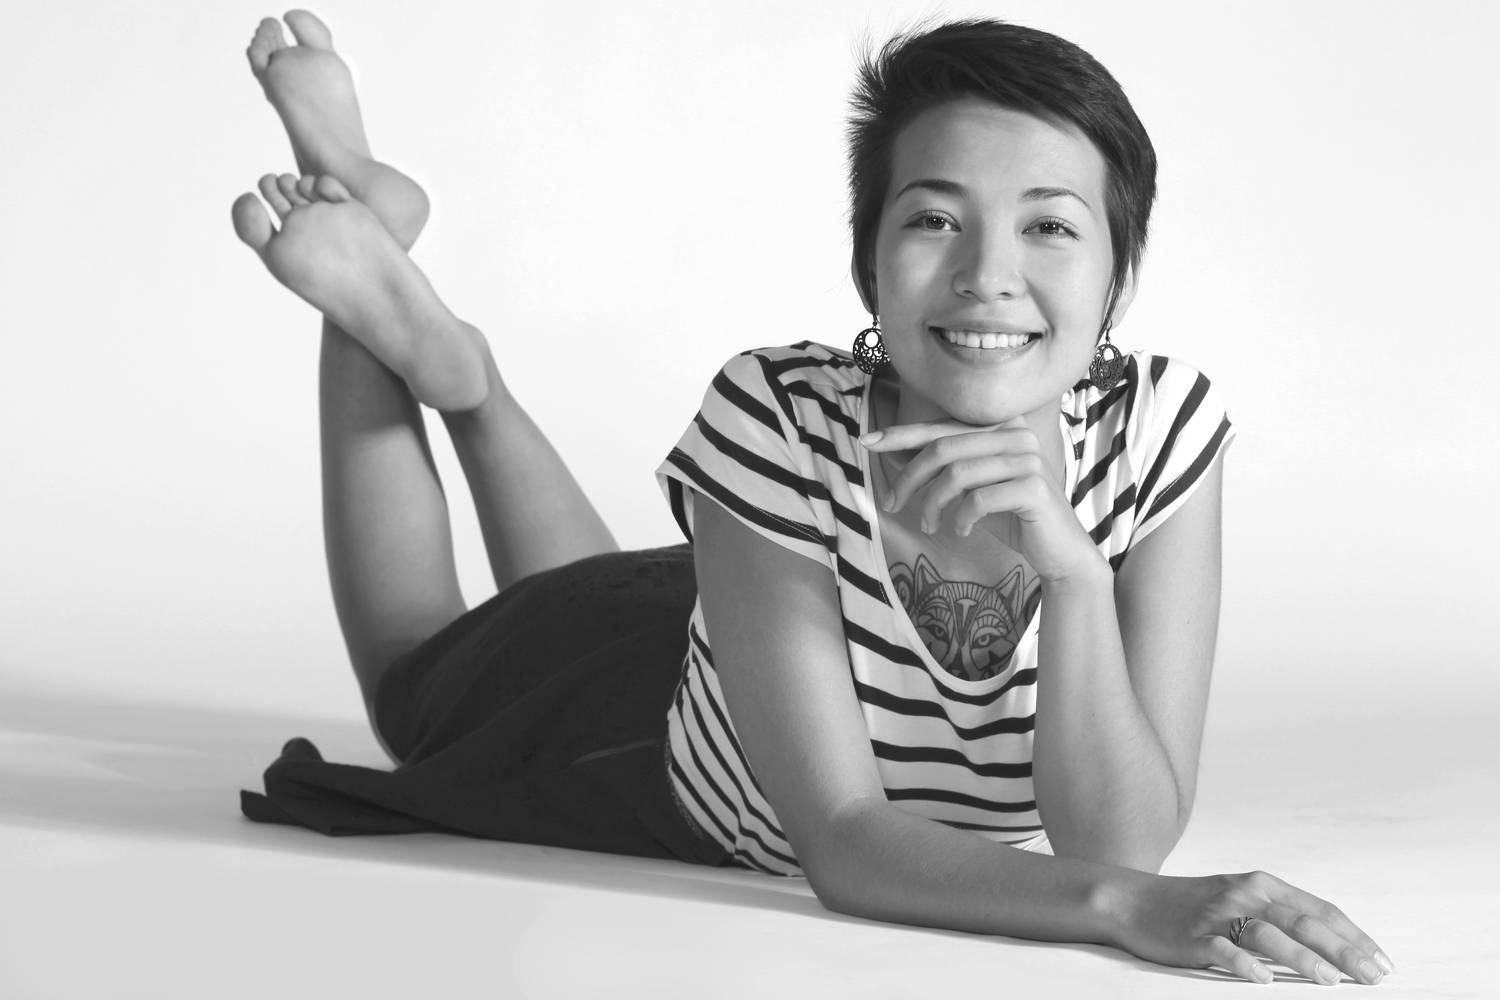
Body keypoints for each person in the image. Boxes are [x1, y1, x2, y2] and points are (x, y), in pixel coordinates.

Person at [231, 10, 1394, 986]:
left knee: (572, 600)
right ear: (869, 262)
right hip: (667, 730)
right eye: (933, 218)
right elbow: (842, 837)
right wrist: (1126, 910)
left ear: (1120, 276)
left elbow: (1121, 836)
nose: (988, 274)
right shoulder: (775, 419)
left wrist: (1079, 575)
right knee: (418, 686)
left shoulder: (1162, 430)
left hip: (744, 631)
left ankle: (466, 375)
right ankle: (371, 283)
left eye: (1048, 224)